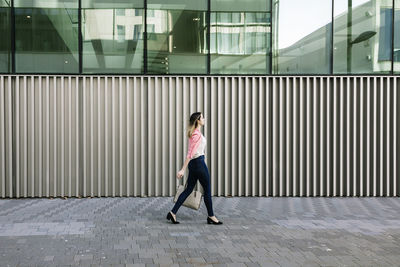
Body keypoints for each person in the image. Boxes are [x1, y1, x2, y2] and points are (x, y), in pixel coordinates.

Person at [166, 112, 223, 225]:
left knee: (188, 189)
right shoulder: (196, 135)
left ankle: (173, 213)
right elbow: (191, 153)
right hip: (199, 163)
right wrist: (182, 169)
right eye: (202, 117)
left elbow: (191, 153)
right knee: (207, 190)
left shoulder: (195, 133)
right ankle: (211, 216)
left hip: (194, 164)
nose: (204, 119)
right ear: (198, 120)